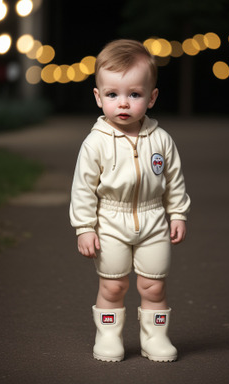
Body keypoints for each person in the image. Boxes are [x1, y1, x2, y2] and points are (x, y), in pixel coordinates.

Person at [70, 39, 190, 363]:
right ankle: (108, 336)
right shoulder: (95, 143)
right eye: (113, 95)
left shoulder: (161, 140)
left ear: (151, 97)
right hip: (110, 220)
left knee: (153, 286)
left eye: (134, 95)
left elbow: (173, 180)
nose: (123, 103)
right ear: (98, 97)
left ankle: (156, 338)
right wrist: (85, 227)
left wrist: (177, 213)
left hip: (153, 221)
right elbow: (83, 188)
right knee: (113, 285)